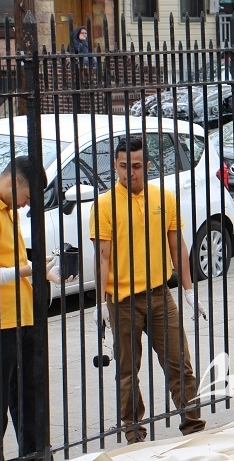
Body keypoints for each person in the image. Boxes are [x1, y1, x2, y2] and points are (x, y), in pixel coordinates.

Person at [89, 136, 207, 444]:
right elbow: (103, 255)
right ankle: (133, 434)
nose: (131, 173)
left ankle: (192, 425)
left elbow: (176, 244)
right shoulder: (104, 205)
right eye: (125, 166)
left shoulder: (164, 198)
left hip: (159, 295)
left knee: (180, 363)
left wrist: (189, 290)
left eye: (138, 166)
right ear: (115, 166)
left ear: (148, 166)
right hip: (122, 300)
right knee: (127, 371)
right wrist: (100, 302)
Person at [0, 156, 65, 460]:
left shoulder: (3, 208)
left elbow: (6, 258)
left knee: (28, 399)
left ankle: (36, 455)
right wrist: (23, 272)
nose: (26, 205)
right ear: (13, 182)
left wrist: (39, 271)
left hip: (19, 318)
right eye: (27, 197)